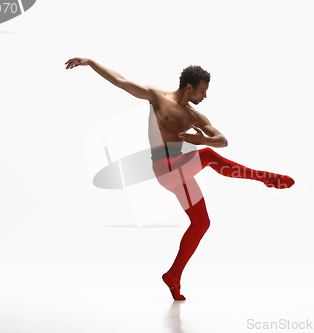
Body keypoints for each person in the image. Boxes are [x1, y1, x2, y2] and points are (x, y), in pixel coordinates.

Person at [65, 57, 295, 300]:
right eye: (202, 90)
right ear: (189, 87)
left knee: (201, 223)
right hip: (164, 167)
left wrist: (203, 139)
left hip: (181, 171)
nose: (205, 96)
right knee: (207, 156)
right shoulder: (157, 96)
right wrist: (90, 62)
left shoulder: (196, 117)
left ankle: (173, 276)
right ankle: (266, 178)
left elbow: (223, 140)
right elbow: (120, 81)